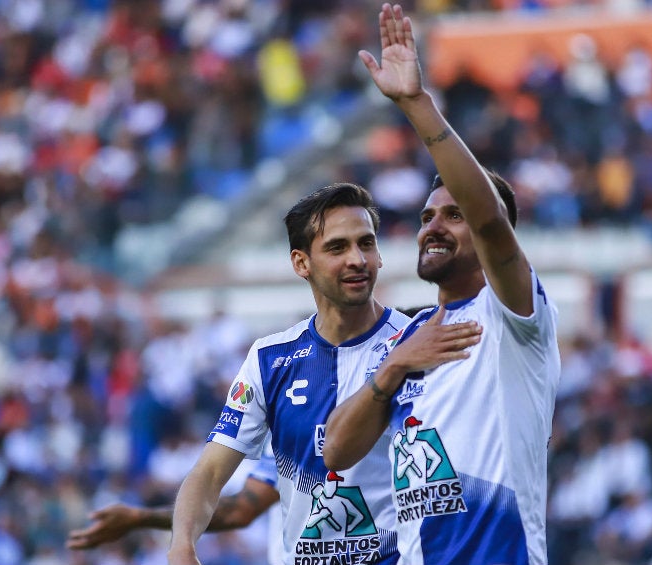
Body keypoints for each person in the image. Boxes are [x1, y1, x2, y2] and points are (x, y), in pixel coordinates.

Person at [324, 4, 561, 564]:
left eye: (453, 215)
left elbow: (489, 222)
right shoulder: (402, 338)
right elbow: (336, 449)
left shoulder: (513, 317)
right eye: (429, 216)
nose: (433, 225)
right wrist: (394, 369)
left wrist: (415, 105)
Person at [167, 182, 478, 565]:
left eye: (366, 243)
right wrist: (182, 545)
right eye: (337, 247)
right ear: (301, 263)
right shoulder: (269, 359)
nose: (357, 259)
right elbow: (211, 471)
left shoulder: (419, 341)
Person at [66, 452, 280, 554]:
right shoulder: (288, 426)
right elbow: (241, 508)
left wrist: (139, 518)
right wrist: (138, 518)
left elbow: (240, 510)